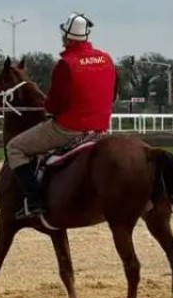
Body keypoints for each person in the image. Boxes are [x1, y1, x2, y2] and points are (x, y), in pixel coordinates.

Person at [7, 13, 117, 220]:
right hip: (102, 130)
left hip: (68, 129)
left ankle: (34, 201)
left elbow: (56, 104)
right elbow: (113, 94)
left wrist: (48, 108)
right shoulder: (107, 59)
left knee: (15, 147)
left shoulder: (66, 64)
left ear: (67, 36)